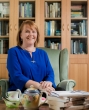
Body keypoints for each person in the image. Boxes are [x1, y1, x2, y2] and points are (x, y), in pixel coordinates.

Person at [7, 20, 64, 94]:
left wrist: (48, 82)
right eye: (27, 31)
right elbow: (17, 76)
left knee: (63, 92)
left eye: (34, 32)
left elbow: (50, 72)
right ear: (21, 35)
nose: (31, 34)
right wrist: (39, 86)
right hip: (23, 92)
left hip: (44, 90)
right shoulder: (13, 52)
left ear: (37, 35)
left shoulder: (43, 53)